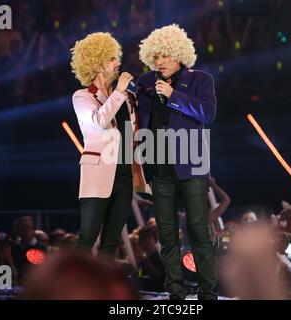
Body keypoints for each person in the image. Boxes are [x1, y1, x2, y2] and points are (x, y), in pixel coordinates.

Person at [137, 24, 217, 300]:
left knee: (198, 231)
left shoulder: (200, 80)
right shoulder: (145, 82)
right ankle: (176, 292)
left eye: (165, 56)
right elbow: (139, 123)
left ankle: (208, 292)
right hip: (159, 168)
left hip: (192, 167)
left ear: (179, 55)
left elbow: (208, 113)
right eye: (155, 56)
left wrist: (174, 97)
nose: (159, 62)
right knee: (167, 234)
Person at [70, 32, 148, 258]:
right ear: (96, 62)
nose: (118, 63)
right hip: (98, 174)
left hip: (124, 174)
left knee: (111, 242)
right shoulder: (83, 97)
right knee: (88, 236)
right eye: (112, 59)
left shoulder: (125, 98)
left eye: (117, 58)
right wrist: (120, 93)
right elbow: (98, 122)